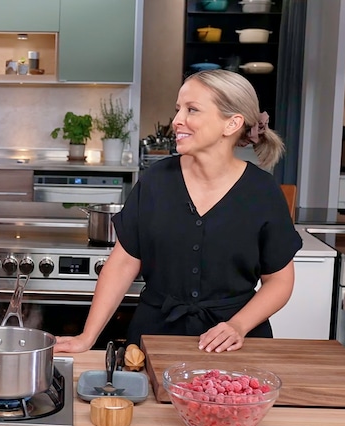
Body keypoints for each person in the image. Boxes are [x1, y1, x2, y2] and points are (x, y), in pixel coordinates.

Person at [54, 69, 302, 354]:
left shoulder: (263, 191)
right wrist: (88, 336)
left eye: (192, 110)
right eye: (178, 109)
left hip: (234, 345)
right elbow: (122, 264)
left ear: (232, 123)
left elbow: (280, 281)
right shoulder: (155, 181)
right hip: (155, 338)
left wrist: (238, 325)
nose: (177, 121)